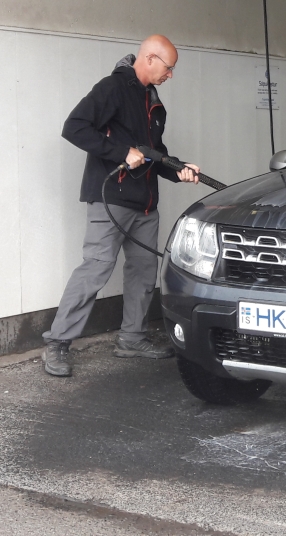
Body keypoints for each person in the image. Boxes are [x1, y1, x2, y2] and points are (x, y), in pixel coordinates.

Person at [41, 35, 200, 377]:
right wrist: (121, 153)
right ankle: (57, 342)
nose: (170, 75)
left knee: (143, 271)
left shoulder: (153, 102)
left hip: (145, 205)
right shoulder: (112, 88)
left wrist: (179, 170)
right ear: (150, 58)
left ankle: (132, 339)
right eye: (168, 68)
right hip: (111, 199)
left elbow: (154, 153)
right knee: (96, 268)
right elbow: (75, 127)